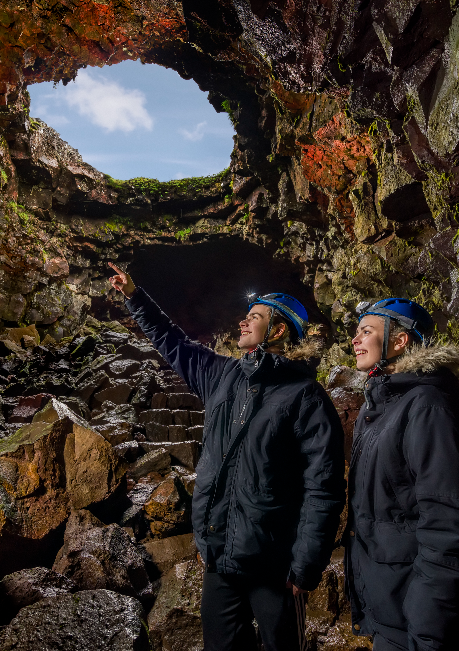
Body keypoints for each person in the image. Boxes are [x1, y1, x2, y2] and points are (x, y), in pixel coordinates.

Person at [107, 263, 345, 651]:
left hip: (274, 565)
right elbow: (173, 342)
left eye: (255, 317)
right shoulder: (222, 375)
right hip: (220, 558)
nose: (242, 322)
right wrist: (135, 296)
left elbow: (325, 488)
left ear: (279, 329)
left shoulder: (305, 398)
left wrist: (306, 566)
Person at [344, 298, 459, 651]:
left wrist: (429, 633)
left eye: (366, 331)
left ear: (399, 341)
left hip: (416, 618)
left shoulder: (428, 406)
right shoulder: (378, 409)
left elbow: (447, 524)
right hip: (389, 606)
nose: (355, 341)